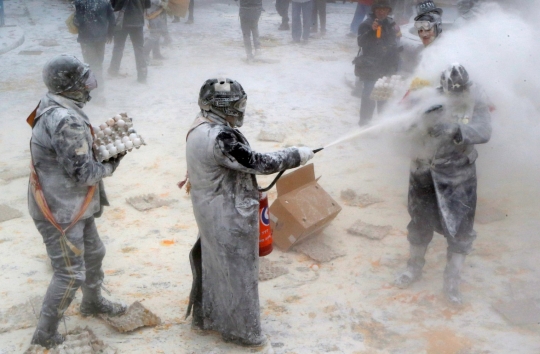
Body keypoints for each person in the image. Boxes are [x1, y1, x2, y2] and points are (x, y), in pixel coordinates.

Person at [184, 78, 314, 346]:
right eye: (236, 105)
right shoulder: (221, 137)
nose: (241, 109)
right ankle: (245, 334)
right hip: (227, 215)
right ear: (222, 106)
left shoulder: (199, 125)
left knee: (216, 265)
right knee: (240, 273)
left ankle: (208, 319)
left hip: (208, 210)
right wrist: (296, 156)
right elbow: (258, 162)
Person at [28, 54, 126, 349]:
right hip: (60, 210)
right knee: (69, 273)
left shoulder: (55, 104)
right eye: (84, 82)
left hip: (70, 203)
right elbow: (85, 174)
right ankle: (45, 333)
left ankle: (92, 302)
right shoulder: (65, 119)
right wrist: (113, 162)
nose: (89, 88)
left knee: (94, 253)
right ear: (69, 86)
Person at [395, 63, 492, 305]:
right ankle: (414, 268)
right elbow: (404, 127)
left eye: (460, 89)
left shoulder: (476, 101)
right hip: (424, 169)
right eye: (451, 90)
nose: (456, 94)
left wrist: (455, 129)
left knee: (460, 229)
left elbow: (484, 131)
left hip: (458, 175)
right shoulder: (429, 97)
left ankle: (451, 283)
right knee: (419, 222)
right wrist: (421, 123)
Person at [356, 0, 401, 125]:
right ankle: (364, 124)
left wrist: (395, 66)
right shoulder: (366, 24)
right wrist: (372, 31)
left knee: (384, 97)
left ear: (388, 11)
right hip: (371, 66)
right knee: (369, 96)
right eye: (379, 9)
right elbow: (361, 43)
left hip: (387, 66)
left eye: (385, 10)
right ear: (374, 10)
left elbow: (395, 43)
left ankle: (382, 124)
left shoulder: (391, 24)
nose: (382, 12)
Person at [73, 0, 115, 100]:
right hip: (100, 38)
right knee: (98, 64)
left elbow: (77, 21)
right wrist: (110, 33)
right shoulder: (105, 2)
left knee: (90, 64)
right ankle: (99, 89)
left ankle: (94, 92)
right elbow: (112, 19)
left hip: (86, 38)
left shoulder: (80, 3)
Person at [108, 0, 151, 83]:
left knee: (118, 47)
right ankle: (142, 74)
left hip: (121, 21)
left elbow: (112, 5)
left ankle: (114, 69)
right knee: (139, 49)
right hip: (137, 21)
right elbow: (147, 5)